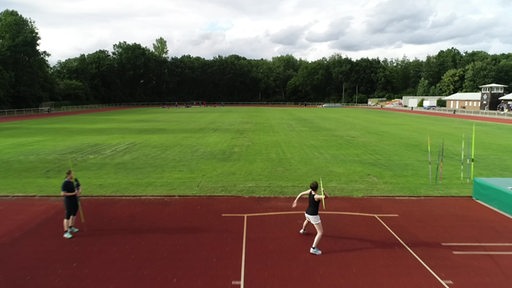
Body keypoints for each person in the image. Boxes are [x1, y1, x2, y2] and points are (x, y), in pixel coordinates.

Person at [292, 181, 329, 255]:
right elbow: (326, 197)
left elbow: (301, 194)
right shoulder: (316, 196)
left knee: (307, 220)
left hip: (307, 213)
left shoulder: (309, 192)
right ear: (317, 188)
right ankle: (313, 248)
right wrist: (324, 191)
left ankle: (303, 230)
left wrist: (296, 200)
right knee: (320, 232)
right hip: (314, 215)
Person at [61, 170, 80, 239]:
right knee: (68, 215)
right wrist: (73, 193)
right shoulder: (65, 183)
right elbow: (62, 194)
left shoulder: (72, 182)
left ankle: (71, 227)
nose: (73, 175)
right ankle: (66, 232)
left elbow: (77, 192)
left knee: (74, 213)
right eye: (72, 174)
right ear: (68, 175)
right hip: (69, 201)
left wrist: (79, 186)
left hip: (74, 200)